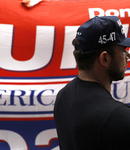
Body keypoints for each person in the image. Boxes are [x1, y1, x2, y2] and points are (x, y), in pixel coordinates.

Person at [54, 16, 130, 150]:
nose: (127, 56)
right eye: (123, 50)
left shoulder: (63, 96)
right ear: (105, 58)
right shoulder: (118, 117)